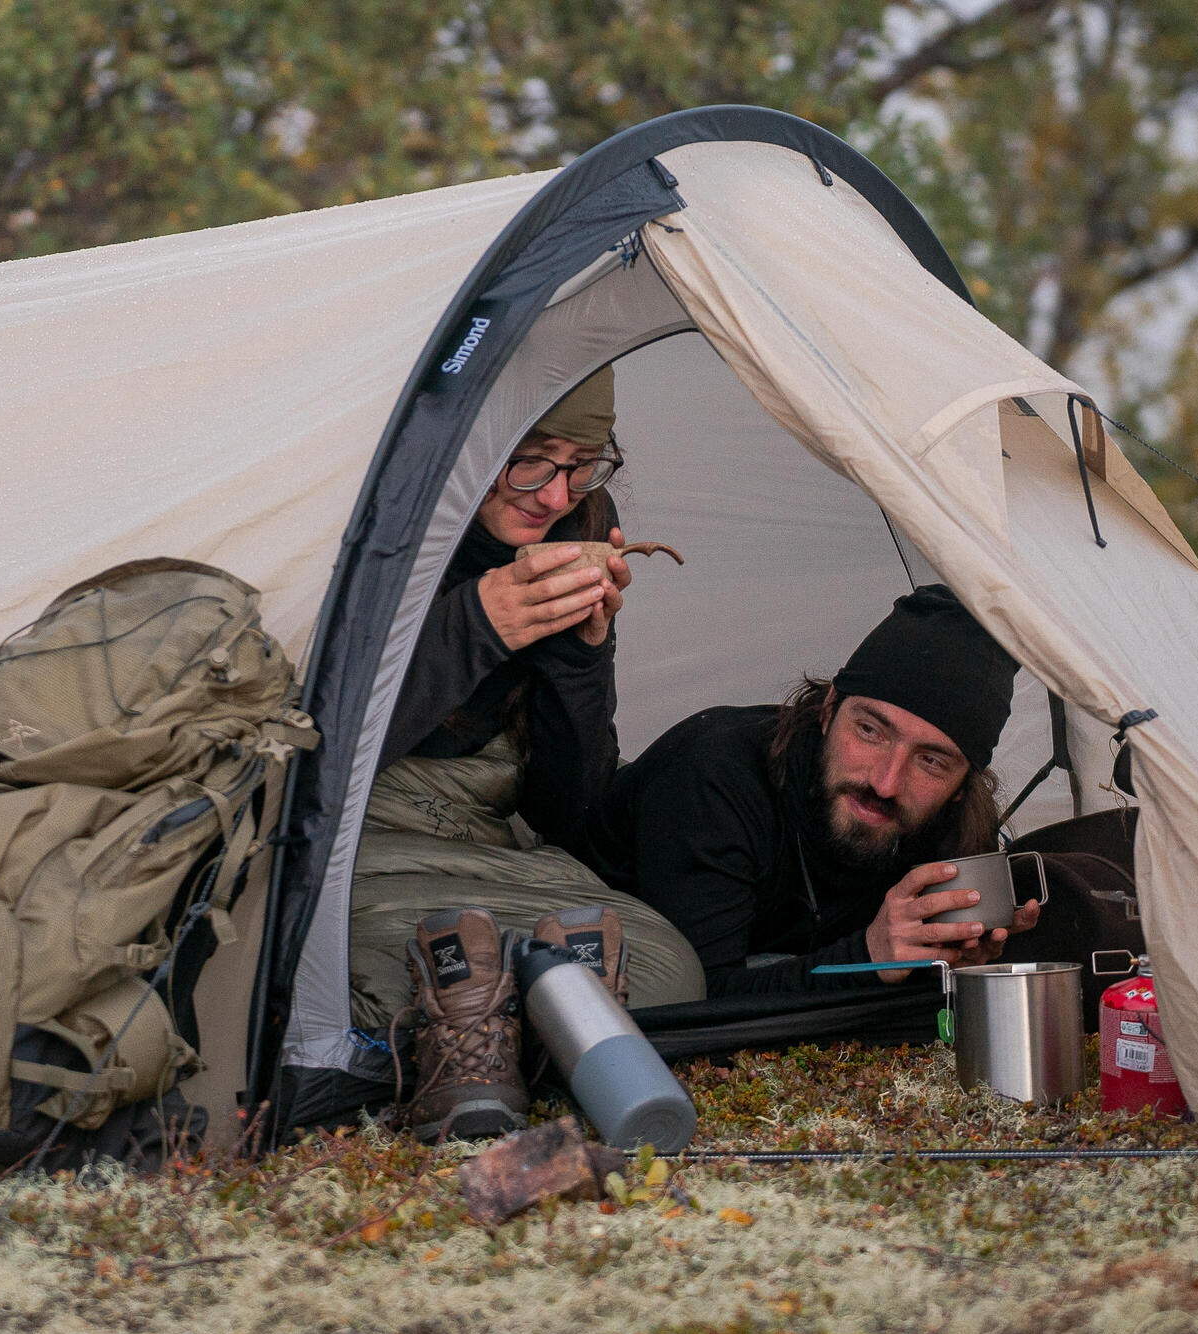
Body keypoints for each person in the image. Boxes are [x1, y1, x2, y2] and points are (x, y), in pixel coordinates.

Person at [344, 368, 707, 1141]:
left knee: (670, 968)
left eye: (582, 465)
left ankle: (483, 1018)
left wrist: (581, 658)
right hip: (355, 842)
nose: (553, 495)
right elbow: (314, 755)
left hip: (491, 848)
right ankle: (537, 1018)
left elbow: (567, 813)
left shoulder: (572, 534)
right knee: (353, 974)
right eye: (534, 458)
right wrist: (475, 626)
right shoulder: (371, 534)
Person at [584, 583, 1098, 996]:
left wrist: (947, 954)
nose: (885, 781)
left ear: (964, 786)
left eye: (932, 760)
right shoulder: (712, 779)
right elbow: (703, 996)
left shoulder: (948, 825)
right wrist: (869, 955)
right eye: (871, 731)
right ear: (828, 710)